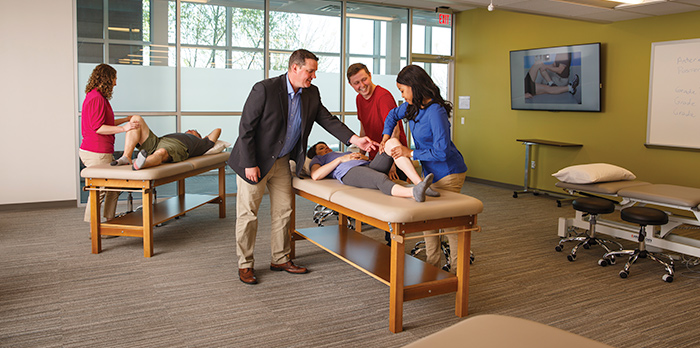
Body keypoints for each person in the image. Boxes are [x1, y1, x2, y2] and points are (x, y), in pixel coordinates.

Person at [227, 49, 377, 285]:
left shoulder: (311, 93)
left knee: (284, 211)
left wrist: (355, 140)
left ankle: (280, 258)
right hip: (255, 162)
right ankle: (245, 264)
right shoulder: (265, 89)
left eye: (314, 71)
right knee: (248, 214)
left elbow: (328, 120)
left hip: (282, 162)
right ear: (294, 68)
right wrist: (249, 164)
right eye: (310, 71)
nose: (313, 76)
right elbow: (246, 128)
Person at [381, 64, 468, 272]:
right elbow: (392, 116)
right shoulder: (412, 107)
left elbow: (442, 152)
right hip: (428, 174)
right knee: (428, 221)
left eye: (402, 90)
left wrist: (408, 152)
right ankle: (432, 267)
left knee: (448, 225)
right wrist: (386, 138)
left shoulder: (436, 112)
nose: (401, 95)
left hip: (449, 173)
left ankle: (457, 272)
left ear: (414, 86)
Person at [79, 63, 140, 223]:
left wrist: (125, 120)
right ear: (107, 78)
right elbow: (98, 127)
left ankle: (110, 220)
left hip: (101, 151)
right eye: (114, 78)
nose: (115, 83)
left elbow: (106, 121)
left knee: (114, 186)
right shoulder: (95, 98)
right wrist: (124, 129)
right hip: (95, 152)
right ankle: (95, 229)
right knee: (99, 190)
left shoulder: (98, 97)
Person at [307, 138, 434, 202]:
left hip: (367, 165)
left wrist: (362, 157)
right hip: (349, 172)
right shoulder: (319, 159)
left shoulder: (340, 152)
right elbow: (316, 175)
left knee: (392, 142)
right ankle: (413, 192)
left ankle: (420, 183)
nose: (327, 149)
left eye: (327, 146)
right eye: (322, 148)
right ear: (316, 154)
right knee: (380, 178)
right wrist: (341, 159)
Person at [346, 63, 408, 178]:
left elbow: (395, 131)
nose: (362, 85)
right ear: (350, 84)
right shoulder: (359, 99)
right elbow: (363, 129)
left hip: (395, 159)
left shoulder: (383, 96)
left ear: (370, 75)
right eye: (356, 83)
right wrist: (360, 155)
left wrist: (392, 162)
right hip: (376, 157)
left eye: (364, 79)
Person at [111, 115, 221, 170]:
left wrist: (205, 138)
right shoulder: (182, 135)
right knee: (136, 119)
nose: (190, 129)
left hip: (175, 146)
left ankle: (143, 164)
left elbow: (218, 130)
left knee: (161, 152)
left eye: (194, 131)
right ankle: (126, 157)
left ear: (199, 136)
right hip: (158, 141)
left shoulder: (200, 143)